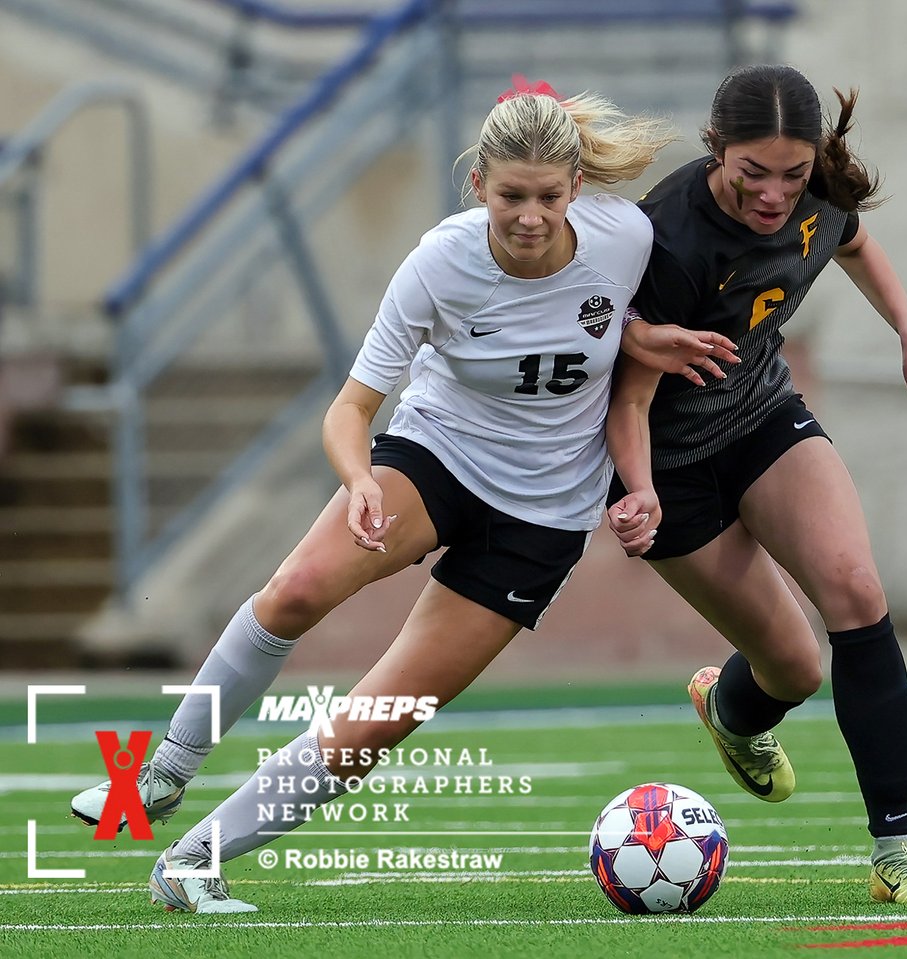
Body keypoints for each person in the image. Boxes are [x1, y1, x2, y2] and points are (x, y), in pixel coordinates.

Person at [69, 79, 737, 913]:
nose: (529, 217)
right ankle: (161, 772)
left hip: (543, 515)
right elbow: (351, 407)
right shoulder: (439, 261)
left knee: (383, 716)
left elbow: (607, 325)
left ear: (576, 190)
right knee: (296, 589)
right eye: (509, 198)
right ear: (477, 187)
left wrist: (639, 391)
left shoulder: (625, 235)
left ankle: (195, 859)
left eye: (548, 197)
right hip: (436, 457)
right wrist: (356, 482)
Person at [609, 64, 907, 905]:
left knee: (855, 588)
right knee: (794, 669)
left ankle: (898, 850)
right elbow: (624, 393)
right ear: (717, 150)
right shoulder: (668, 236)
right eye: (753, 174)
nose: (775, 196)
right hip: (666, 464)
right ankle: (731, 710)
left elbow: (855, 241)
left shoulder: (819, 192)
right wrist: (639, 489)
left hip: (762, 416)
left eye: (793, 174)